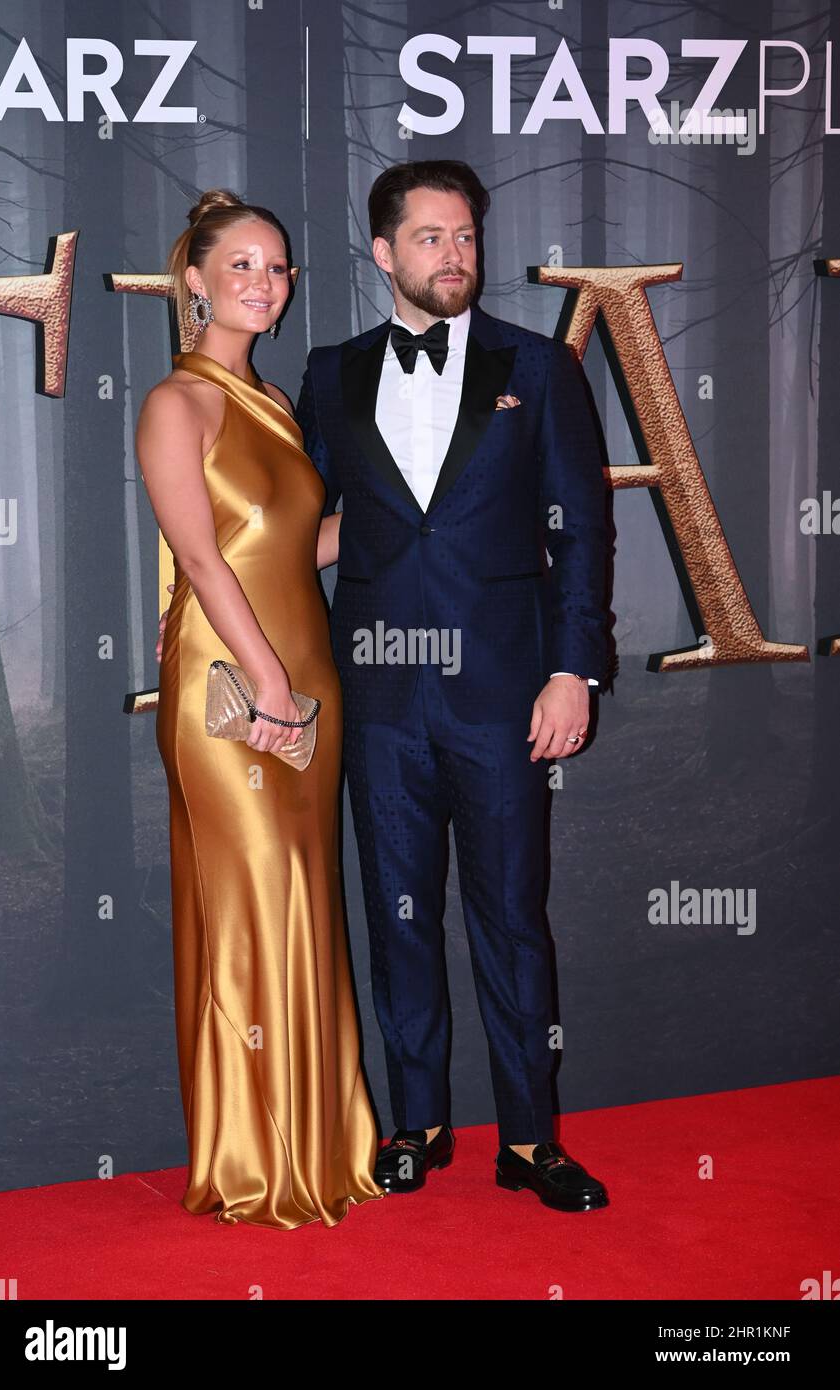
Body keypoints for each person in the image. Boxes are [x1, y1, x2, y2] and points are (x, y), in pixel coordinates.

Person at [295, 160, 612, 1212]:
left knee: (512, 918)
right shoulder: (331, 374)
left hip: (503, 695)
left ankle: (527, 1138)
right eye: (429, 237)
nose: (455, 256)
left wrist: (571, 668)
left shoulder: (539, 366)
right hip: (379, 704)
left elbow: (583, 528)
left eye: (465, 236)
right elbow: (299, 531)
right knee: (397, 917)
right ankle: (414, 1120)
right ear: (383, 253)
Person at [136, 189, 384, 1228]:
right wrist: (270, 683)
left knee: (305, 901)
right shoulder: (175, 404)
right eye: (240, 264)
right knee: (249, 905)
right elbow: (198, 554)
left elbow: (296, 547)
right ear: (192, 279)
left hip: (303, 683)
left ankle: (319, 1146)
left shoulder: (273, 400)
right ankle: (252, 1162)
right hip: (230, 691)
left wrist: (405, 517)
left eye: (277, 268)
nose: (263, 282)